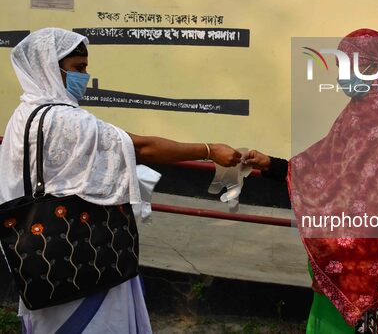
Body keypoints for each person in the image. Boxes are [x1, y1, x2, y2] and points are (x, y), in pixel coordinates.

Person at [0, 28, 242, 333]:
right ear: (48, 68)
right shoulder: (65, 119)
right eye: (78, 69)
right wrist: (209, 150)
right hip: (80, 249)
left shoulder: (26, 113)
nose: (84, 77)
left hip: (40, 251)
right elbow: (141, 147)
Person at [245, 29, 378, 333]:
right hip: (338, 243)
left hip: (365, 252)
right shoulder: (355, 111)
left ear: (370, 67)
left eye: (346, 66)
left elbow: (375, 192)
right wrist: (272, 165)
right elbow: (324, 163)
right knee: (327, 317)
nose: (341, 75)